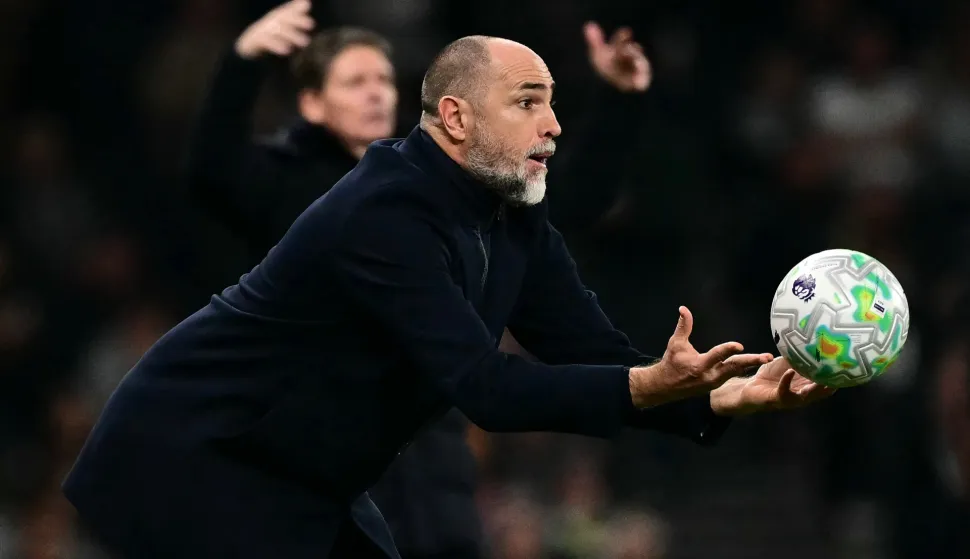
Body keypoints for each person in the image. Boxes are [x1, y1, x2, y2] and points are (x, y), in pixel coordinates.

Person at [62, 35, 834, 559]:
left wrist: (719, 399)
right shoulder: (382, 213)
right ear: (457, 118)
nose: (556, 124)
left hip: (301, 477)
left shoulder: (516, 219)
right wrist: (642, 386)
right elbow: (485, 388)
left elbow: (597, 357)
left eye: (553, 102)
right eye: (529, 101)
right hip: (193, 461)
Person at [184, 2, 655, 558]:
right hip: (330, 449)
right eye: (354, 81)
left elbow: (569, 198)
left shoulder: (456, 194)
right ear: (310, 103)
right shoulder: (294, 192)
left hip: (432, 454)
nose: (376, 92)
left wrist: (619, 102)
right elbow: (212, 171)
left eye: (383, 78)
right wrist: (243, 61)